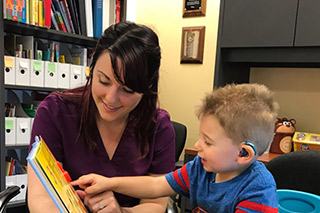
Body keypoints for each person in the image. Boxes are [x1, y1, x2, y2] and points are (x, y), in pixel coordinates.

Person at [27, 21, 176, 213]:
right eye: (103, 81)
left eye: (128, 90)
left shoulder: (158, 127)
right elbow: (42, 200)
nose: (111, 99)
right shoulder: (55, 112)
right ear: (91, 67)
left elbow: (155, 204)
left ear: (147, 89)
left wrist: (122, 212)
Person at [72, 83, 280, 212]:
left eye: (208, 142)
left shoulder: (258, 190)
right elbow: (156, 186)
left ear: (243, 153)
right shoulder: (200, 168)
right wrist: (109, 183)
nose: (198, 146)